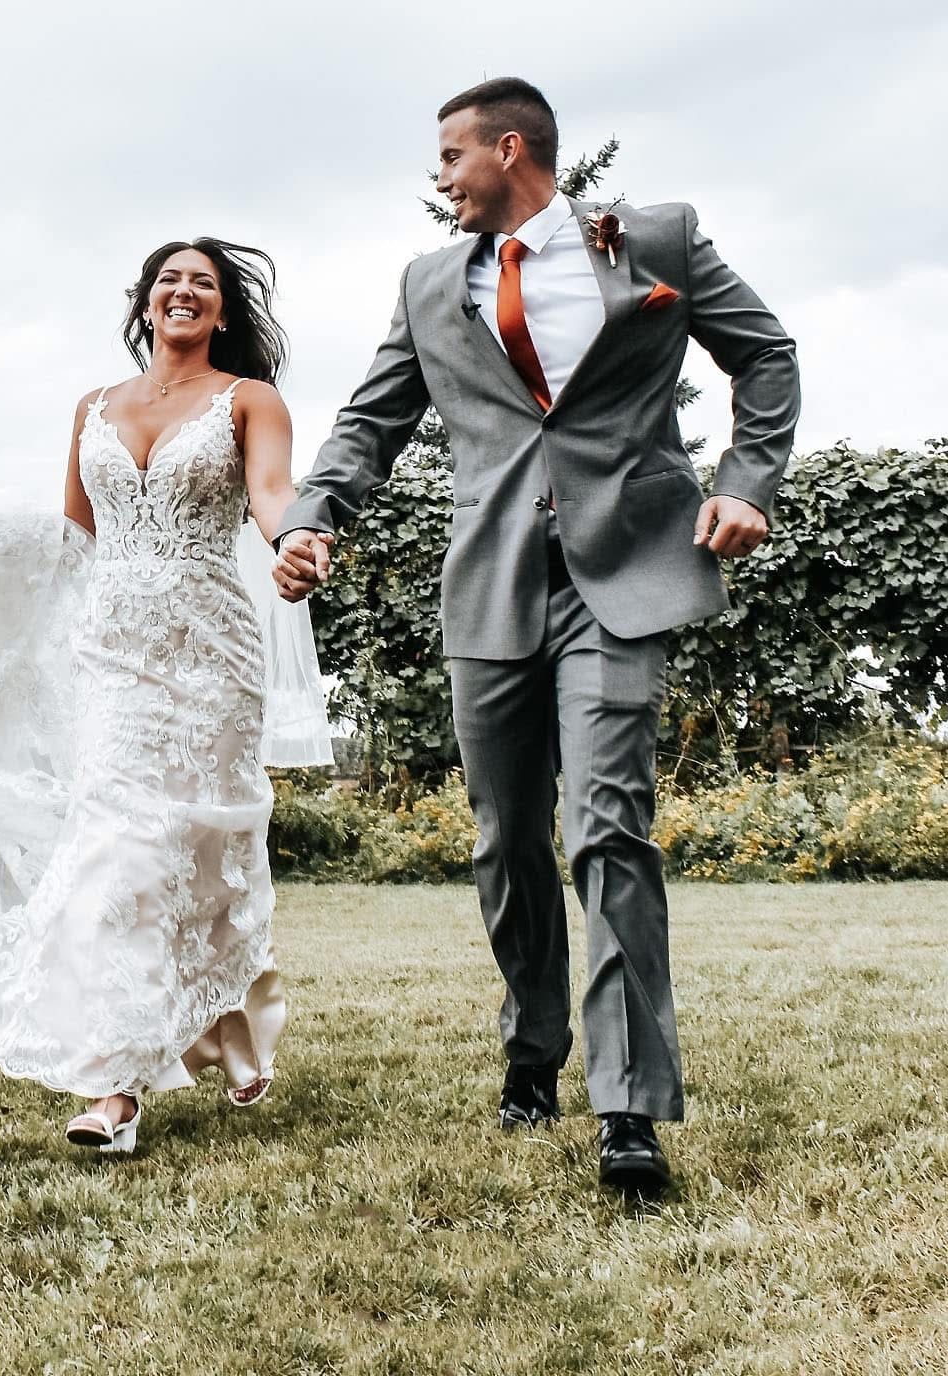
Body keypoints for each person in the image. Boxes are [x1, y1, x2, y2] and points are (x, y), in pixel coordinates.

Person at [274, 78, 799, 1194]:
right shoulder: (428, 283)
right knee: (507, 837)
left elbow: (767, 354)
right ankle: (532, 1045)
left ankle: (628, 1107)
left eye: (452, 158)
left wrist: (748, 480)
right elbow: (371, 418)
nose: (441, 180)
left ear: (511, 149)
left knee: (608, 827)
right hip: (494, 585)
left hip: (628, 576)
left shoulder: (654, 238)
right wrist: (315, 516)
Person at [0, 238, 331, 1155]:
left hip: (210, 649)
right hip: (111, 655)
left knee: (199, 849)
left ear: (224, 310)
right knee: (115, 851)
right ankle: (110, 1088)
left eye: (203, 282)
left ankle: (227, 1025)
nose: (184, 291)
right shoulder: (93, 406)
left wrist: (295, 542)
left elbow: (273, 495)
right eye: (169, 280)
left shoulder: (249, 401)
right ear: (146, 304)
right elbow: (71, 541)